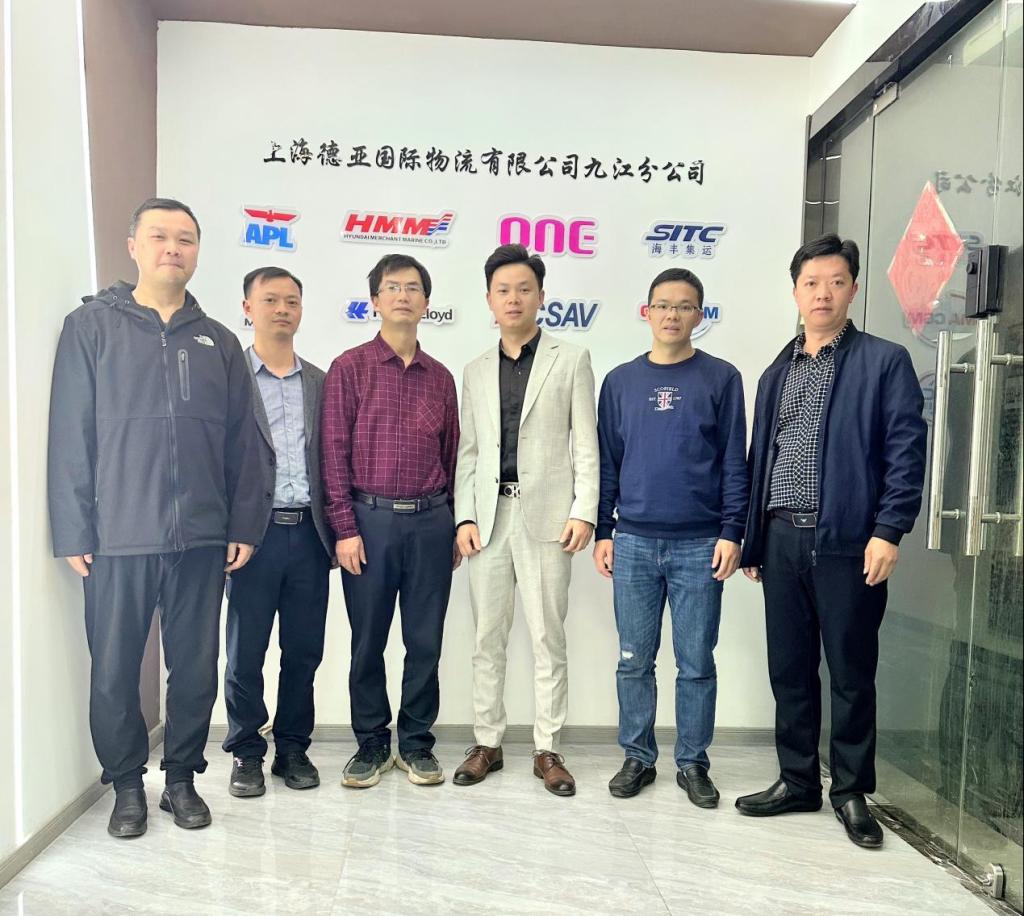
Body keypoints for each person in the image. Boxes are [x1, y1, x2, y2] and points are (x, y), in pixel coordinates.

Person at [48, 197, 265, 837]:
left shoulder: (218, 340)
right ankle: (125, 786)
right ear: (134, 247)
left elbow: (244, 443)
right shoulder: (91, 328)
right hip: (117, 534)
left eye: (186, 239)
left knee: (194, 668)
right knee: (114, 668)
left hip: (201, 536)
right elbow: (70, 433)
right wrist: (73, 527)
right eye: (161, 236)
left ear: (197, 252)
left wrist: (242, 525)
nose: (174, 248)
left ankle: (180, 780)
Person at [735, 234, 927, 848]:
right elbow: (759, 459)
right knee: (790, 670)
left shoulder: (884, 361)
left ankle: (850, 791)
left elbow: (905, 452)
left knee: (850, 671)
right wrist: (754, 541)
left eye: (836, 282)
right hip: (780, 539)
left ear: (853, 289)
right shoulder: (776, 372)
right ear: (795, 292)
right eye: (811, 283)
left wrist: (888, 530)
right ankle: (797, 781)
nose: (823, 293)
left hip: (848, 541)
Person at [595, 268, 747, 806]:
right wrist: (604, 530)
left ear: (699, 316)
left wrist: (733, 531)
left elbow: (735, 462)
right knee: (633, 659)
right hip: (634, 541)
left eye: (684, 306)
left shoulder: (721, 378)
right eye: (662, 305)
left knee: (696, 662)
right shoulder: (620, 382)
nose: (672, 315)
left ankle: (693, 763)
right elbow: (608, 463)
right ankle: (638, 757)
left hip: (700, 544)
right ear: (647, 312)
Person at [453, 243, 599, 797]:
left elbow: (585, 444)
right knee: (487, 637)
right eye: (503, 290)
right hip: (489, 519)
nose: (513, 298)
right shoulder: (474, 370)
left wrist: (584, 510)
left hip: (549, 519)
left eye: (523, 289)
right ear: (489, 300)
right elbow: (468, 452)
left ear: (541, 296)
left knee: (547, 637)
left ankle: (547, 749)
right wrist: (464, 516)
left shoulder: (572, 359)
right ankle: (486, 742)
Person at [321, 254, 460, 788]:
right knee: (368, 641)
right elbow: (333, 455)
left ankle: (417, 743)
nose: (403, 296)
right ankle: (372, 742)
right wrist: (344, 529)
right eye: (392, 287)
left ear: (427, 303)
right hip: (369, 523)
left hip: (430, 523)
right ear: (375, 300)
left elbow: (453, 455)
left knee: (425, 641)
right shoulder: (349, 368)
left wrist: (452, 522)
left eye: (413, 288)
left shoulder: (440, 378)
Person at [223, 266, 333, 798]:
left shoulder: (321, 381)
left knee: (303, 651)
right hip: (253, 537)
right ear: (248, 308)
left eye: (291, 300)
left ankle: (292, 748)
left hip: (310, 535)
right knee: (245, 652)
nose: (282, 309)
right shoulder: (231, 379)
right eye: (270, 300)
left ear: (301, 310)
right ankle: (246, 751)